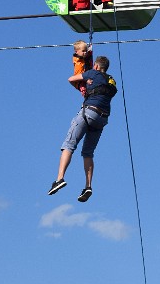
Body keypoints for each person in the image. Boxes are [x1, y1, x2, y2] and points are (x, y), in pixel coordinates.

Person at [48, 55, 118, 202]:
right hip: (102, 119)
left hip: (89, 112)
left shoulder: (93, 73)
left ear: (97, 66)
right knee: (88, 153)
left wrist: (86, 78)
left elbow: (71, 79)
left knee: (69, 145)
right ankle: (88, 186)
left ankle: (59, 178)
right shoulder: (112, 80)